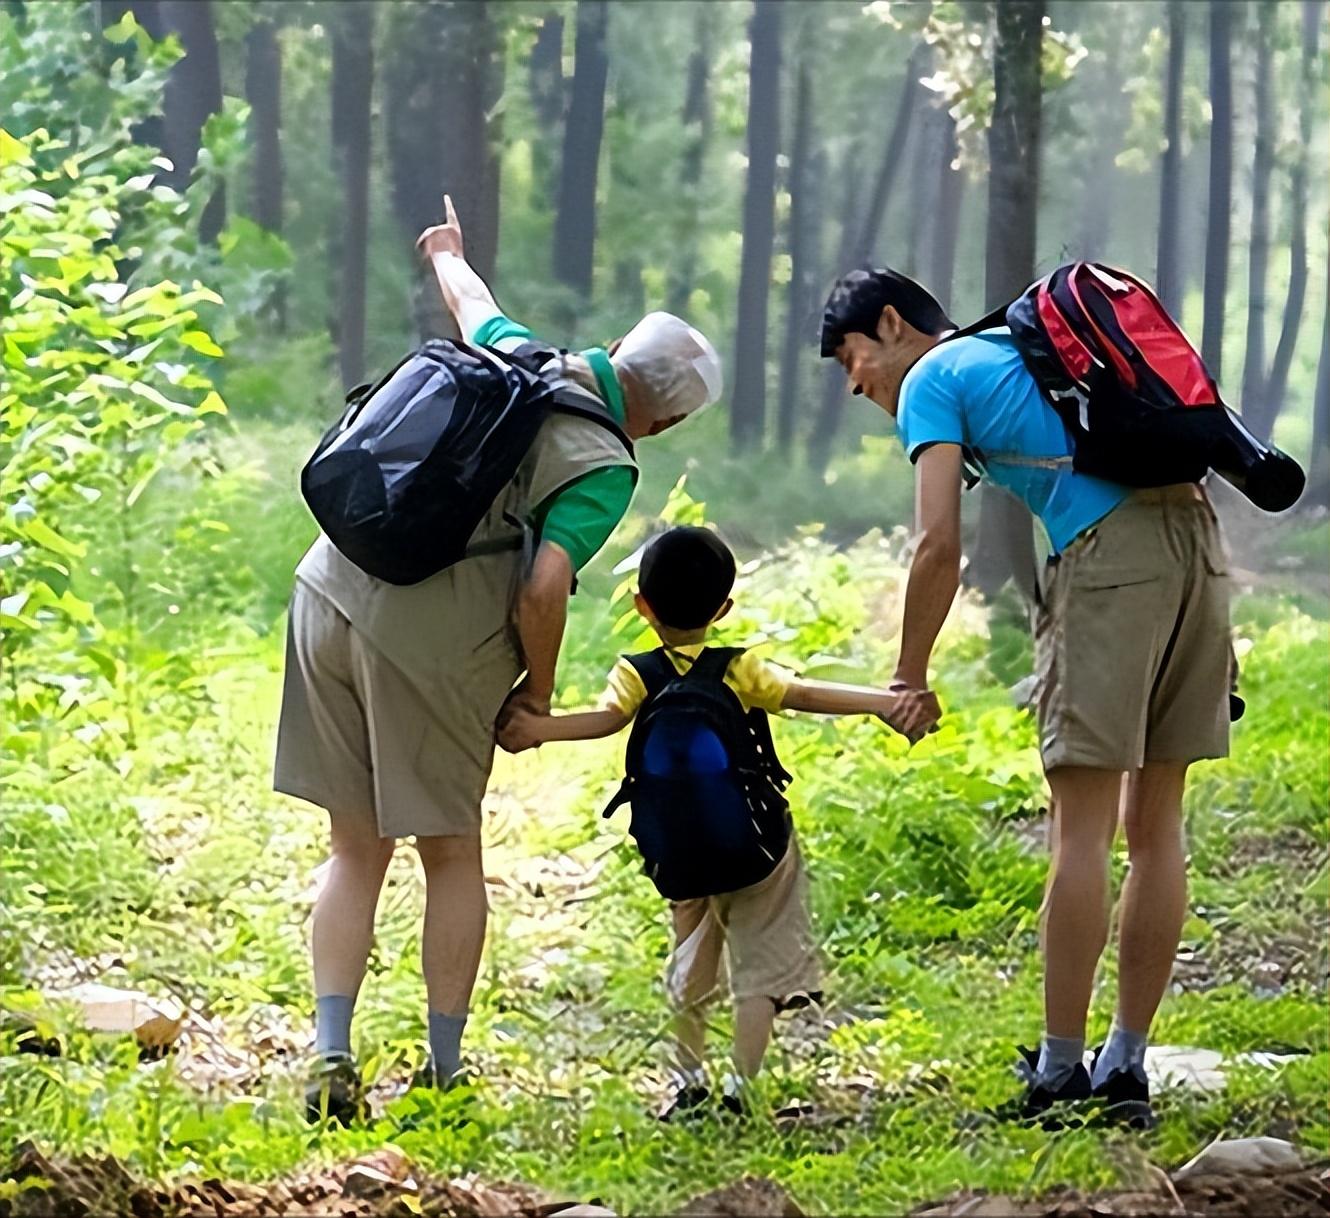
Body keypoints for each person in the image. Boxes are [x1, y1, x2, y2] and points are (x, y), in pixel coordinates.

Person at [274, 197, 723, 1124]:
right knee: (448, 854)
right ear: (663, 418)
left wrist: (447, 246)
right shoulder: (602, 459)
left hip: (326, 584)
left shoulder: (521, 352)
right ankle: (440, 1074)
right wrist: (539, 691)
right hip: (425, 640)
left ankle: (329, 1054)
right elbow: (542, 586)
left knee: (354, 848)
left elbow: (467, 298)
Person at [820, 267, 1234, 1129]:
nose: (856, 382)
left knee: (1079, 832)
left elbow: (937, 545)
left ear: (892, 324)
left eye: (852, 358)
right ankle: (1126, 1063)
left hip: (1110, 562)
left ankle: (1058, 1073)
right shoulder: (1017, 349)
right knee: (1158, 827)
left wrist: (909, 674)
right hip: (1200, 545)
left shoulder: (935, 376)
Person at [499, 526, 919, 1118]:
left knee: (690, 953)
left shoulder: (637, 671)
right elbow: (800, 694)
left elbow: (602, 721)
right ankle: (741, 1090)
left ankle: (687, 1079)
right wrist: (882, 702)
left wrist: (536, 730)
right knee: (761, 963)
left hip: (678, 847)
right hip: (756, 844)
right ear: (723, 608)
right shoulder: (738, 667)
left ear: (641, 604)